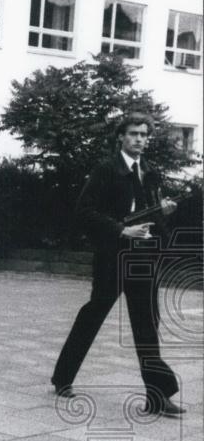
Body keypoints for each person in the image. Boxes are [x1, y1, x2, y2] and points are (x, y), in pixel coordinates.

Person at [51, 113, 184, 418]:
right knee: (93, 315)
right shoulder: (106, 170)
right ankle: (63, 377)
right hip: (113, 257)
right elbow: (84, 212)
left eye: (144, 135)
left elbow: (151, 216)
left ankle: (157, 397)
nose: (140, 139)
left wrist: (163, 212)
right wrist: (122, 230)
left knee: (147, 325)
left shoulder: (149, 172)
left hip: (143, 258)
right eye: (134, 134)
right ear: (121, 137)